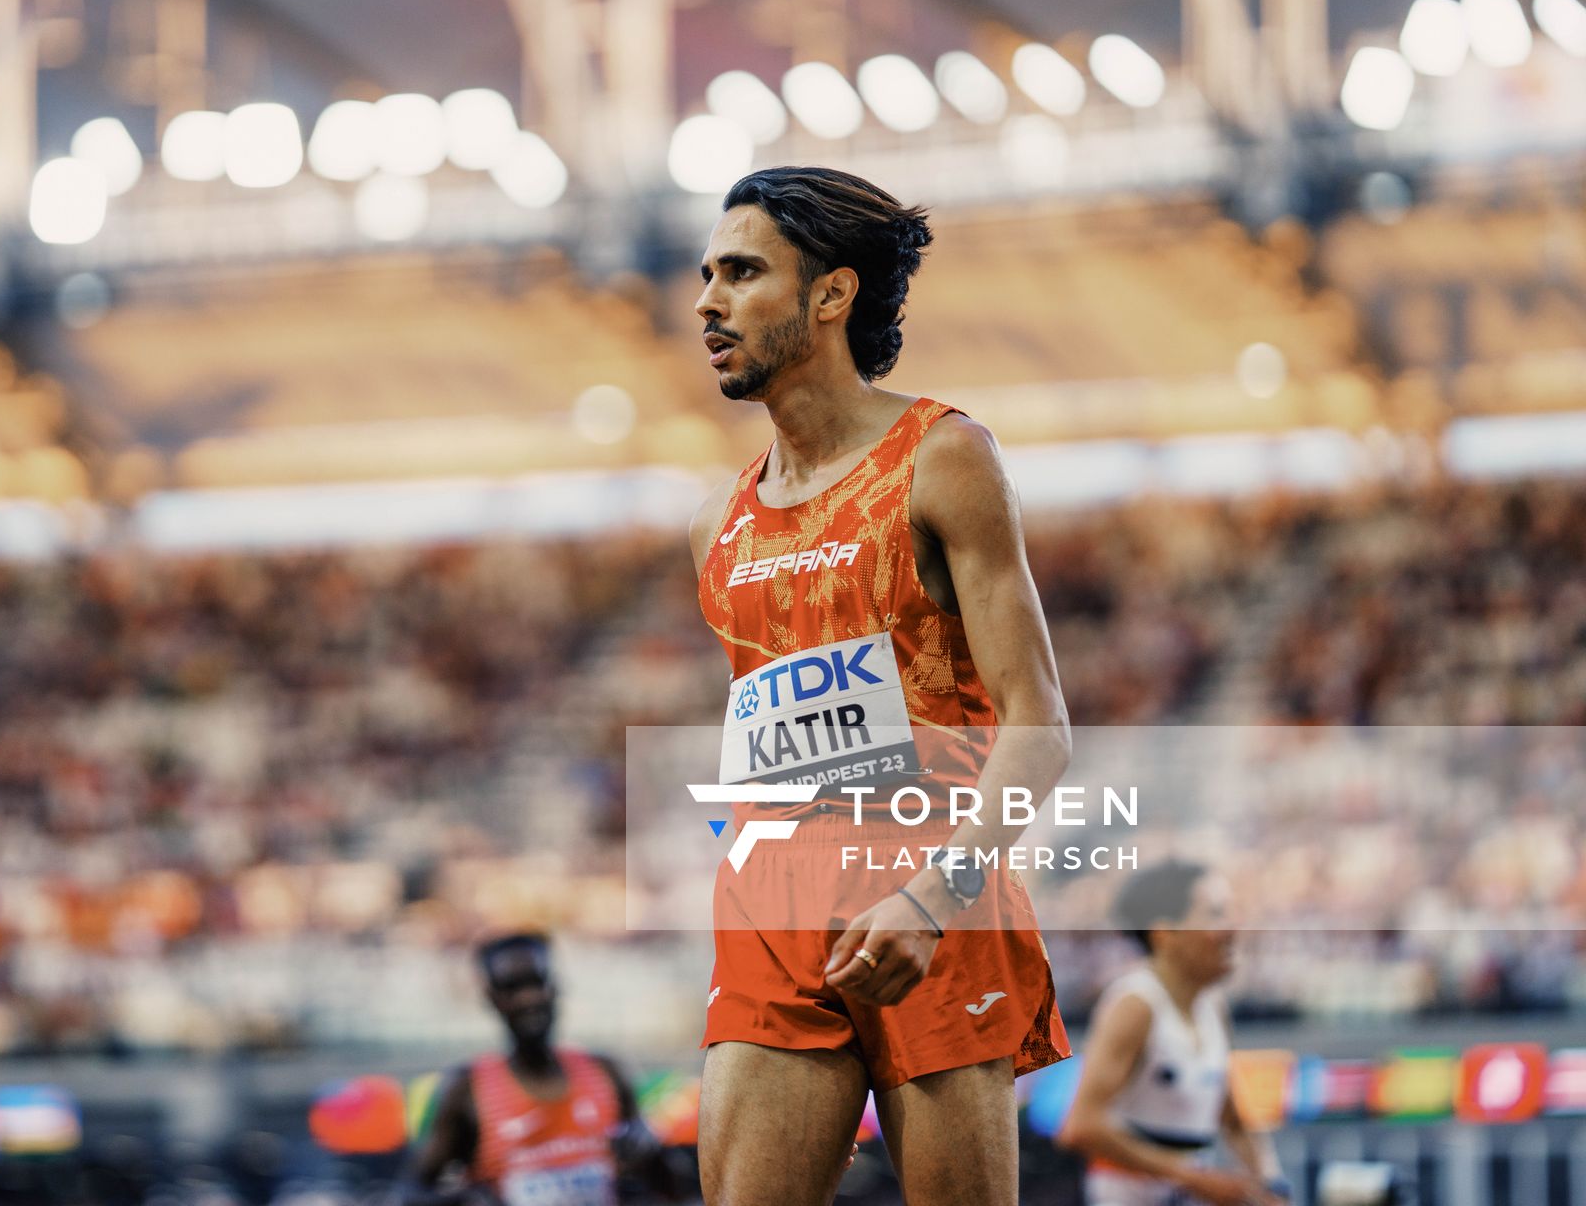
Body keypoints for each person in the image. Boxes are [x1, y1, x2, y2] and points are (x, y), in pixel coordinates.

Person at [688, 166, 1072, 1206]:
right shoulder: (718, 527)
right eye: (707, 273)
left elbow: (1039, 726)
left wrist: (932, 897)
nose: (707, 301)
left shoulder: (943, 459)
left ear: (831, 294)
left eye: (741, 272)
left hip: (932, 898)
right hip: (774, 907)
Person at [1056, 861, 1288, 1206]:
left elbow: (1233, 1120)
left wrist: (1271, 1180)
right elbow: (1081, 1126)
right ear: (1165, 935)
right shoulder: (1134, 1005)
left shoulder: (1212, 1006)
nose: (1232, 929)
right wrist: (1192, 1177)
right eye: (1214, 915)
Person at [406, 932, 680, 1205]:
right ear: (492, 998)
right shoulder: (466, 1089)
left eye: (537, 982)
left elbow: (679, 1190)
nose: (529, 998)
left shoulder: (607, 1073)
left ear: (555, 986)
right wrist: (467, 1199)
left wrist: (652, 1148)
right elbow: (409, 1193)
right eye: (512, 987)